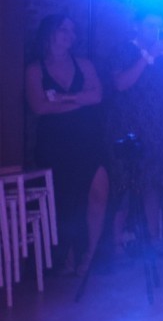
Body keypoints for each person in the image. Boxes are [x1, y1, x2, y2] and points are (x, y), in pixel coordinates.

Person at [23, 14, 110, 275]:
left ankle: (91, 254)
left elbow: (96, 96)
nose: (70, 35)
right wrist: (76, 101)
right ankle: (70, 254)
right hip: (55, 142)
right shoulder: (35, 69)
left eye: (73, 30)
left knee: (98, 192)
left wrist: (62, 98)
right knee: (66, 200)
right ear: (50, 33)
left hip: (88, 138)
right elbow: (38, 106)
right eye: (64, 30)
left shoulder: (84, 64)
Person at [108, 11, 163, 242]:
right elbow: (120, 84)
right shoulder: (124, 50)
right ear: (137, 26)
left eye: (159, 27)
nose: (154, 31)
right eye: (150, 25)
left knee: (159, 182)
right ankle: (117, 245)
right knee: (125, 185)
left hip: (162, 126)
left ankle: (157, 239)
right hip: (130, 128)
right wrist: (146, 57)